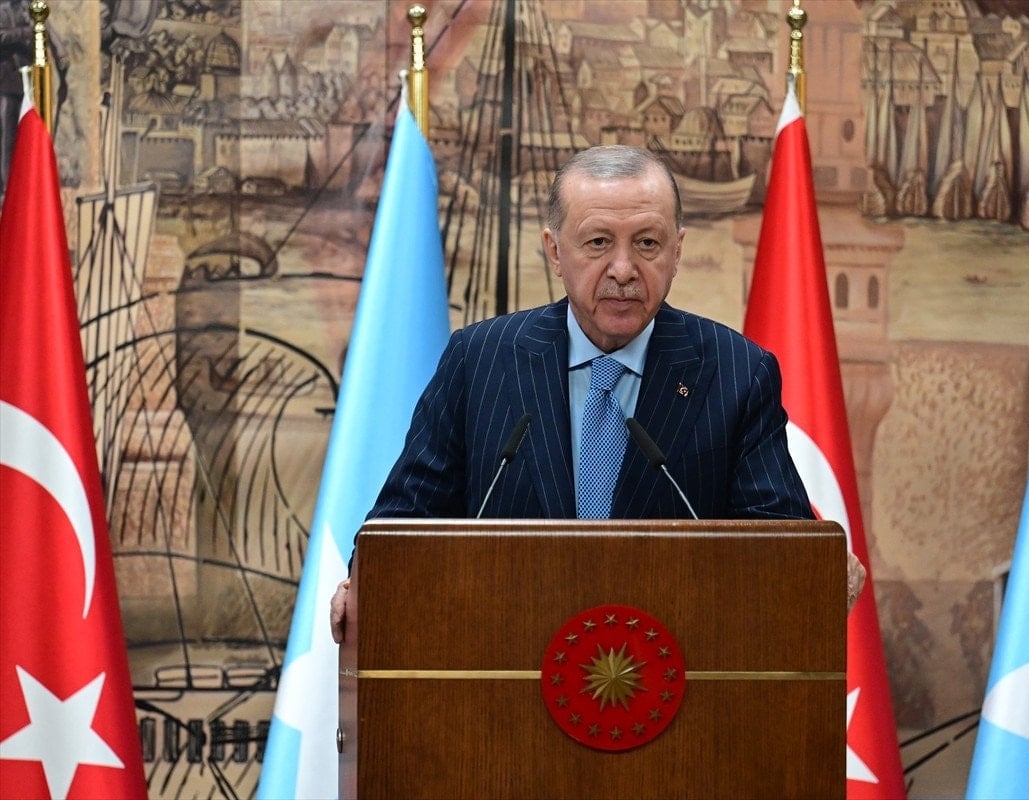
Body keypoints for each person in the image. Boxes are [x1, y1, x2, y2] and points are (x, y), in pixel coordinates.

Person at [331, 145, 864, 641]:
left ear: (677, 251)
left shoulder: (737, 372)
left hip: (672, 675)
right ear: (555, 251)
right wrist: (370, 579)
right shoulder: (481, 361)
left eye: (647, 243)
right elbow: (401, 525)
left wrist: (814, 569)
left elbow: (778, 545)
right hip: (503, 669)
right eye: (598, 243)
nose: (624, 270)